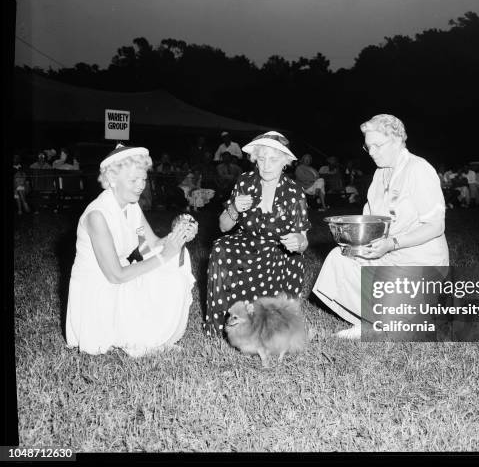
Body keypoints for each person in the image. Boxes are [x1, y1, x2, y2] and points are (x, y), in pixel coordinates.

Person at [312, 114, 449, 339]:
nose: (372, 152)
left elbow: (435, 226)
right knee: (339, 258)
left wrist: (392, 244)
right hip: (388, 254)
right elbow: (371, 218)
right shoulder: (380, 173)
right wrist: (356, 240)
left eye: (377, 145)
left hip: (420, 262)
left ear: (397, 140)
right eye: (368, 147)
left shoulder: (419, 169)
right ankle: (367, 321)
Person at [65, 144, 197, 357]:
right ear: (112, 180)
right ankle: (142, 334)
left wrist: (179, 235)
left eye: (143, 179)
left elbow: (152, 245)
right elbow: (115, 275)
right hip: (100, 290)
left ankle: (155, 334)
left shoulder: (131, 206)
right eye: (133, 180)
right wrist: (165, 255)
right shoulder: (97, 215)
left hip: (121, 277)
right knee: (165, 266)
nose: (140, 187)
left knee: (176, 265)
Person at [204, 131, 311, 336]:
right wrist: (234, 208)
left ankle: (264, 322)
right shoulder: (245, 182)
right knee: (220, 246)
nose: (267, 165)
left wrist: (297, 241)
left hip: (279, 252)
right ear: (255, 160)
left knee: (270, 328)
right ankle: (218, 327)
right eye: (261, 159)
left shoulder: (294, 191)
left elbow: (303, 241)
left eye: (273, 159)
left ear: (285, 163)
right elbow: (223, 226)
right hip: (247, 243)